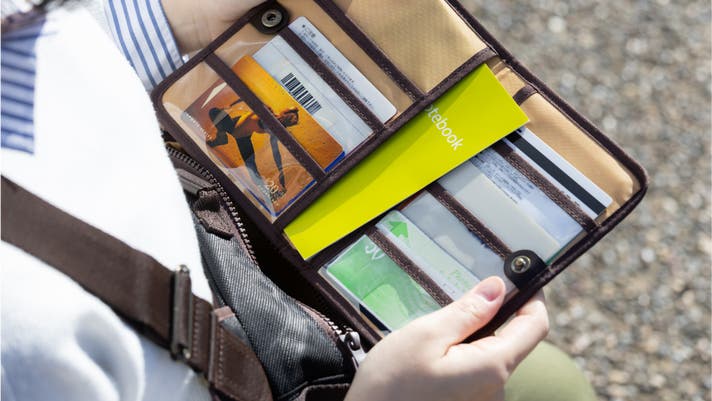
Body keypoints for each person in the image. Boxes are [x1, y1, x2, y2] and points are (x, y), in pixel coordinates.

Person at [1, 1, 597, 400]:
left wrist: (178, 21)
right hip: (273, 368)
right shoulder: (27, 347)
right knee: (551, 386)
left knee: (550, 380)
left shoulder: (25, 26)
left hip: (230, 266)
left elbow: (55, 50)